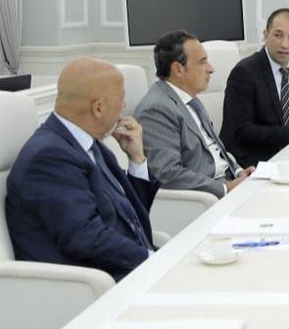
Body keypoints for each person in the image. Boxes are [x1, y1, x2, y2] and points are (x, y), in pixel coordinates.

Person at [6, 58, 159, 281]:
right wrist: (154, 260)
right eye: (121, 98)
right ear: (98, 108)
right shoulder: (49, 157)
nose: (124, 105)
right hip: (97, 286)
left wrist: (136, 159)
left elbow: (131, 217)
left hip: (129, 270)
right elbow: (86, 238)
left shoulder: (89, 143)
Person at [135, 31, 255, 199]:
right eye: (202, 62)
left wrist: (239, 172)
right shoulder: (156, 109)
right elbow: (168, 173)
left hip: (228, 183)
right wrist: (225, 188)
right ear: (178, 69)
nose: (211, 69)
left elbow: (215, 150)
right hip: (204, 199)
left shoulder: (190, 98)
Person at [220, 8, 289, 167]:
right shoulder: (245, 72)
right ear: (266, 35)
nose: (284, 44)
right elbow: (242, 131)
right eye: (278, 35)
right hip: (251, 162)